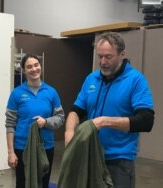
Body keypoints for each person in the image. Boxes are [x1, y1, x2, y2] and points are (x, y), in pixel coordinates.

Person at [65, 32, 154, 188]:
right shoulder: (91, 79)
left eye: (108, 57)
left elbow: (146, 121)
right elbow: (76, 110)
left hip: (118, 161)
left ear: (122, 54)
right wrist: (69, 132)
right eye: (99, 56)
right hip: (90, 156)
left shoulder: (136, 80)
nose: (103, 62)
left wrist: (105, 121)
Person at [5, 54, 65, 188]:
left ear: (40, 66)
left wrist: (46, 122)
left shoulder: (51, 92)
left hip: (46, 147)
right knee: (22, 183)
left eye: (36, 65)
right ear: (24, 70)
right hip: (22, 148)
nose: (34, 69)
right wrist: (11, 152)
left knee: (43, 183)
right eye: (29, 67)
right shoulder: (17, 93)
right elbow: (10, 124)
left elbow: (60, 118)